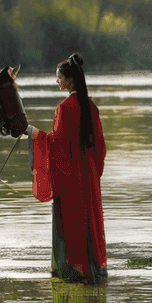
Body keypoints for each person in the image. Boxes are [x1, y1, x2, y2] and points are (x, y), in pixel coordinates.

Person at [26, 54, 107, 284]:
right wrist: (93, 172)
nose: (57, 82)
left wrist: (33, 134)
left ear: (69, 80)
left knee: (71, 220)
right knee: (89, 220)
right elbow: (100, 147)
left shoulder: (65, 107)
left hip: (71, 176)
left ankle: (73, 269)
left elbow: (57, 144)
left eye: (58, 78)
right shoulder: (91, 106)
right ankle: (95, 267)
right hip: (88, 174)